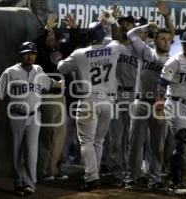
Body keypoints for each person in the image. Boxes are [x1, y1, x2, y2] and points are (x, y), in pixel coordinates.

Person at [57, 7, 122, 191]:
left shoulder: (80, 54)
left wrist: (72, 54)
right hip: (107, 102)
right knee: (98, 141)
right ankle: (94, 174)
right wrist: (112, 21)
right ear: (102, 36)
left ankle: (91, 177)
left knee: (86, 141)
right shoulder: (112, 48)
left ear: (88, 36)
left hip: (88, 101)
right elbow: (118, 38)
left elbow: (61, 68)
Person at [0, 41, 64, 196]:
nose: (30, 56)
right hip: (16, 116)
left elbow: (48, 83)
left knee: (31, 151)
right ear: (21, 55)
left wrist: (58, 84)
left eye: (32, 53)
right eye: (26, 53)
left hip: (34, 117)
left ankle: (30, 184)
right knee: (17, 151)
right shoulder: (10, 72)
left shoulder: (38, 70)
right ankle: (19, 182)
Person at [124, 0, 175, 191]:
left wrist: (166, 17)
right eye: (161, 39)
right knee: (135, 143)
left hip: (159, 105)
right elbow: (130, 34)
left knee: (157, 146)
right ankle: (131, 177)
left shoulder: (172, 61)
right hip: (140, 102)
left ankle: (154, 179)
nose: (165, 42)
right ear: (154, 40)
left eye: (168, 40)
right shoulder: (145, 51)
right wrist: (147, 26)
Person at [34, 13, 79, 181]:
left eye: (53, 34)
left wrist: (73, 29)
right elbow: (38, 42)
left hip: (61, 97)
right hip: (46, 97)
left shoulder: (60, 51)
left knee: (59, 136)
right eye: (49, 35)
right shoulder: (40, 53)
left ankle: (53, 169)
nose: (51, 37)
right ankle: (43, 170)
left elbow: (74, 44)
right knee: (46, 135)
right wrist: (47, 28)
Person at [159, 30, 186, 195]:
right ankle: (175, 182)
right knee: (183, 142)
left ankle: (171, 177)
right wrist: (159, 104)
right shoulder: (174, 61)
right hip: (175, 103)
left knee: (184, 146)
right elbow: (161, 84)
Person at [105, 14, 137, 186]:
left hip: (133, 95)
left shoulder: (139, 47)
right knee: (116, 137)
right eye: (122, 23)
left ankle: (131, 172)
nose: (124, 26)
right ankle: (118, 172)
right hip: (116, 94)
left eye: (128, 23)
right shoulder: (111, 45)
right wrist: (110, 21)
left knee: (133, 137)